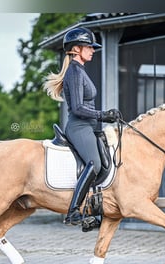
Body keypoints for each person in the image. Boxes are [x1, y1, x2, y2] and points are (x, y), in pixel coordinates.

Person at [44, 27, 119, 225]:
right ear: (77, 49)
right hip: (79, 127)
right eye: (89, 47)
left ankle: (95, 204)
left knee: (105, 162)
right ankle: (74, 211)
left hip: (89, 126)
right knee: (94, 163)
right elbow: (77, 108)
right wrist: (104, 115)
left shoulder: (80, 71)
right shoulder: (74, 72)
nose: (93, 50)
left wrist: (107, 116)